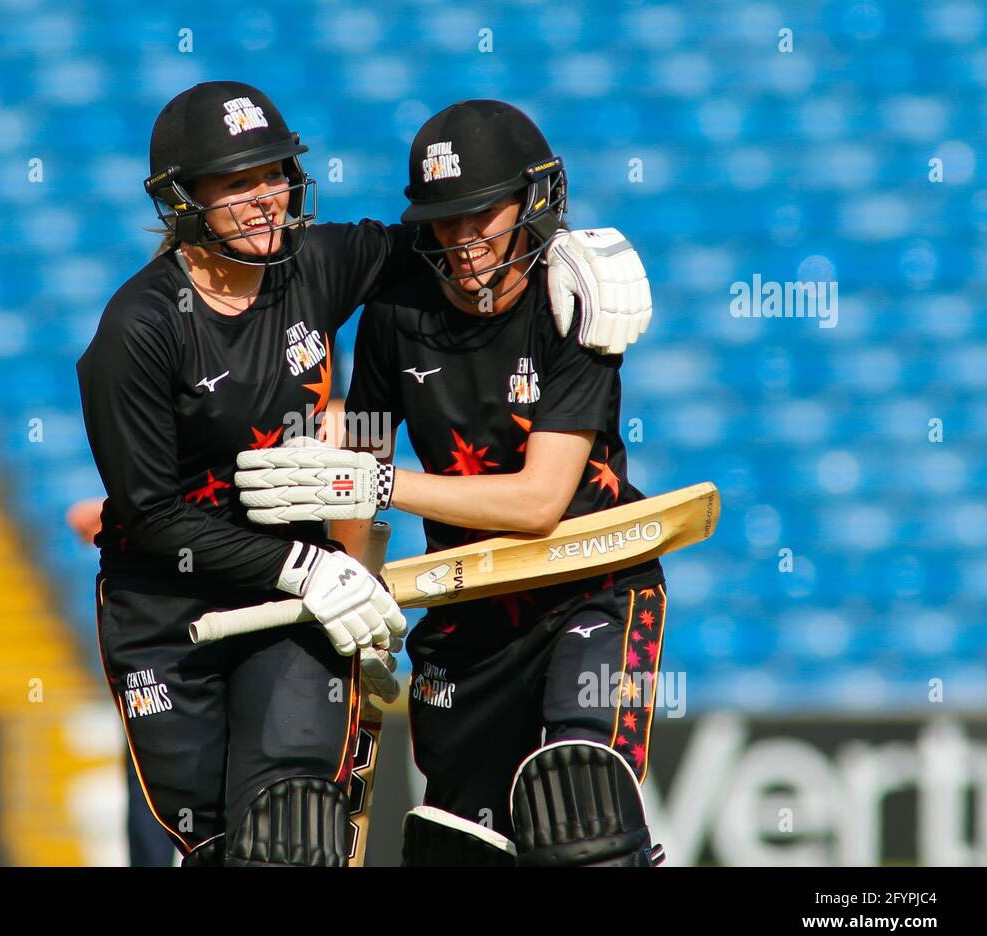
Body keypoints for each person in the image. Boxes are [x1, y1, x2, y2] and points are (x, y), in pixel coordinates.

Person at [234, 100, 666, 866]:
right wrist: (356, 603)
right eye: (445, 223)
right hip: (468, 609)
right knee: (457, 851)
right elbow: (352, 480)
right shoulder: (395, 315)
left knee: (581, 818)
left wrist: (376, 483)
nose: (463, 244)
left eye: (482, 218)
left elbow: (539, 503)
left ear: (533, 204)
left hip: (592, 587)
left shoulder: (578, 301)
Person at [77, 80, 420, 867]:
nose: (267, 199)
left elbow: (433, 248)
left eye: (274, 175)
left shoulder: (314, 266)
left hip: (293, 608)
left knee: (288, 830)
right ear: (182, 202)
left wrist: (567, 252)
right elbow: (153, 514)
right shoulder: (138, 330)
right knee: (217, 851)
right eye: (238, 184)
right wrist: (302, 563)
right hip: (169, 619)